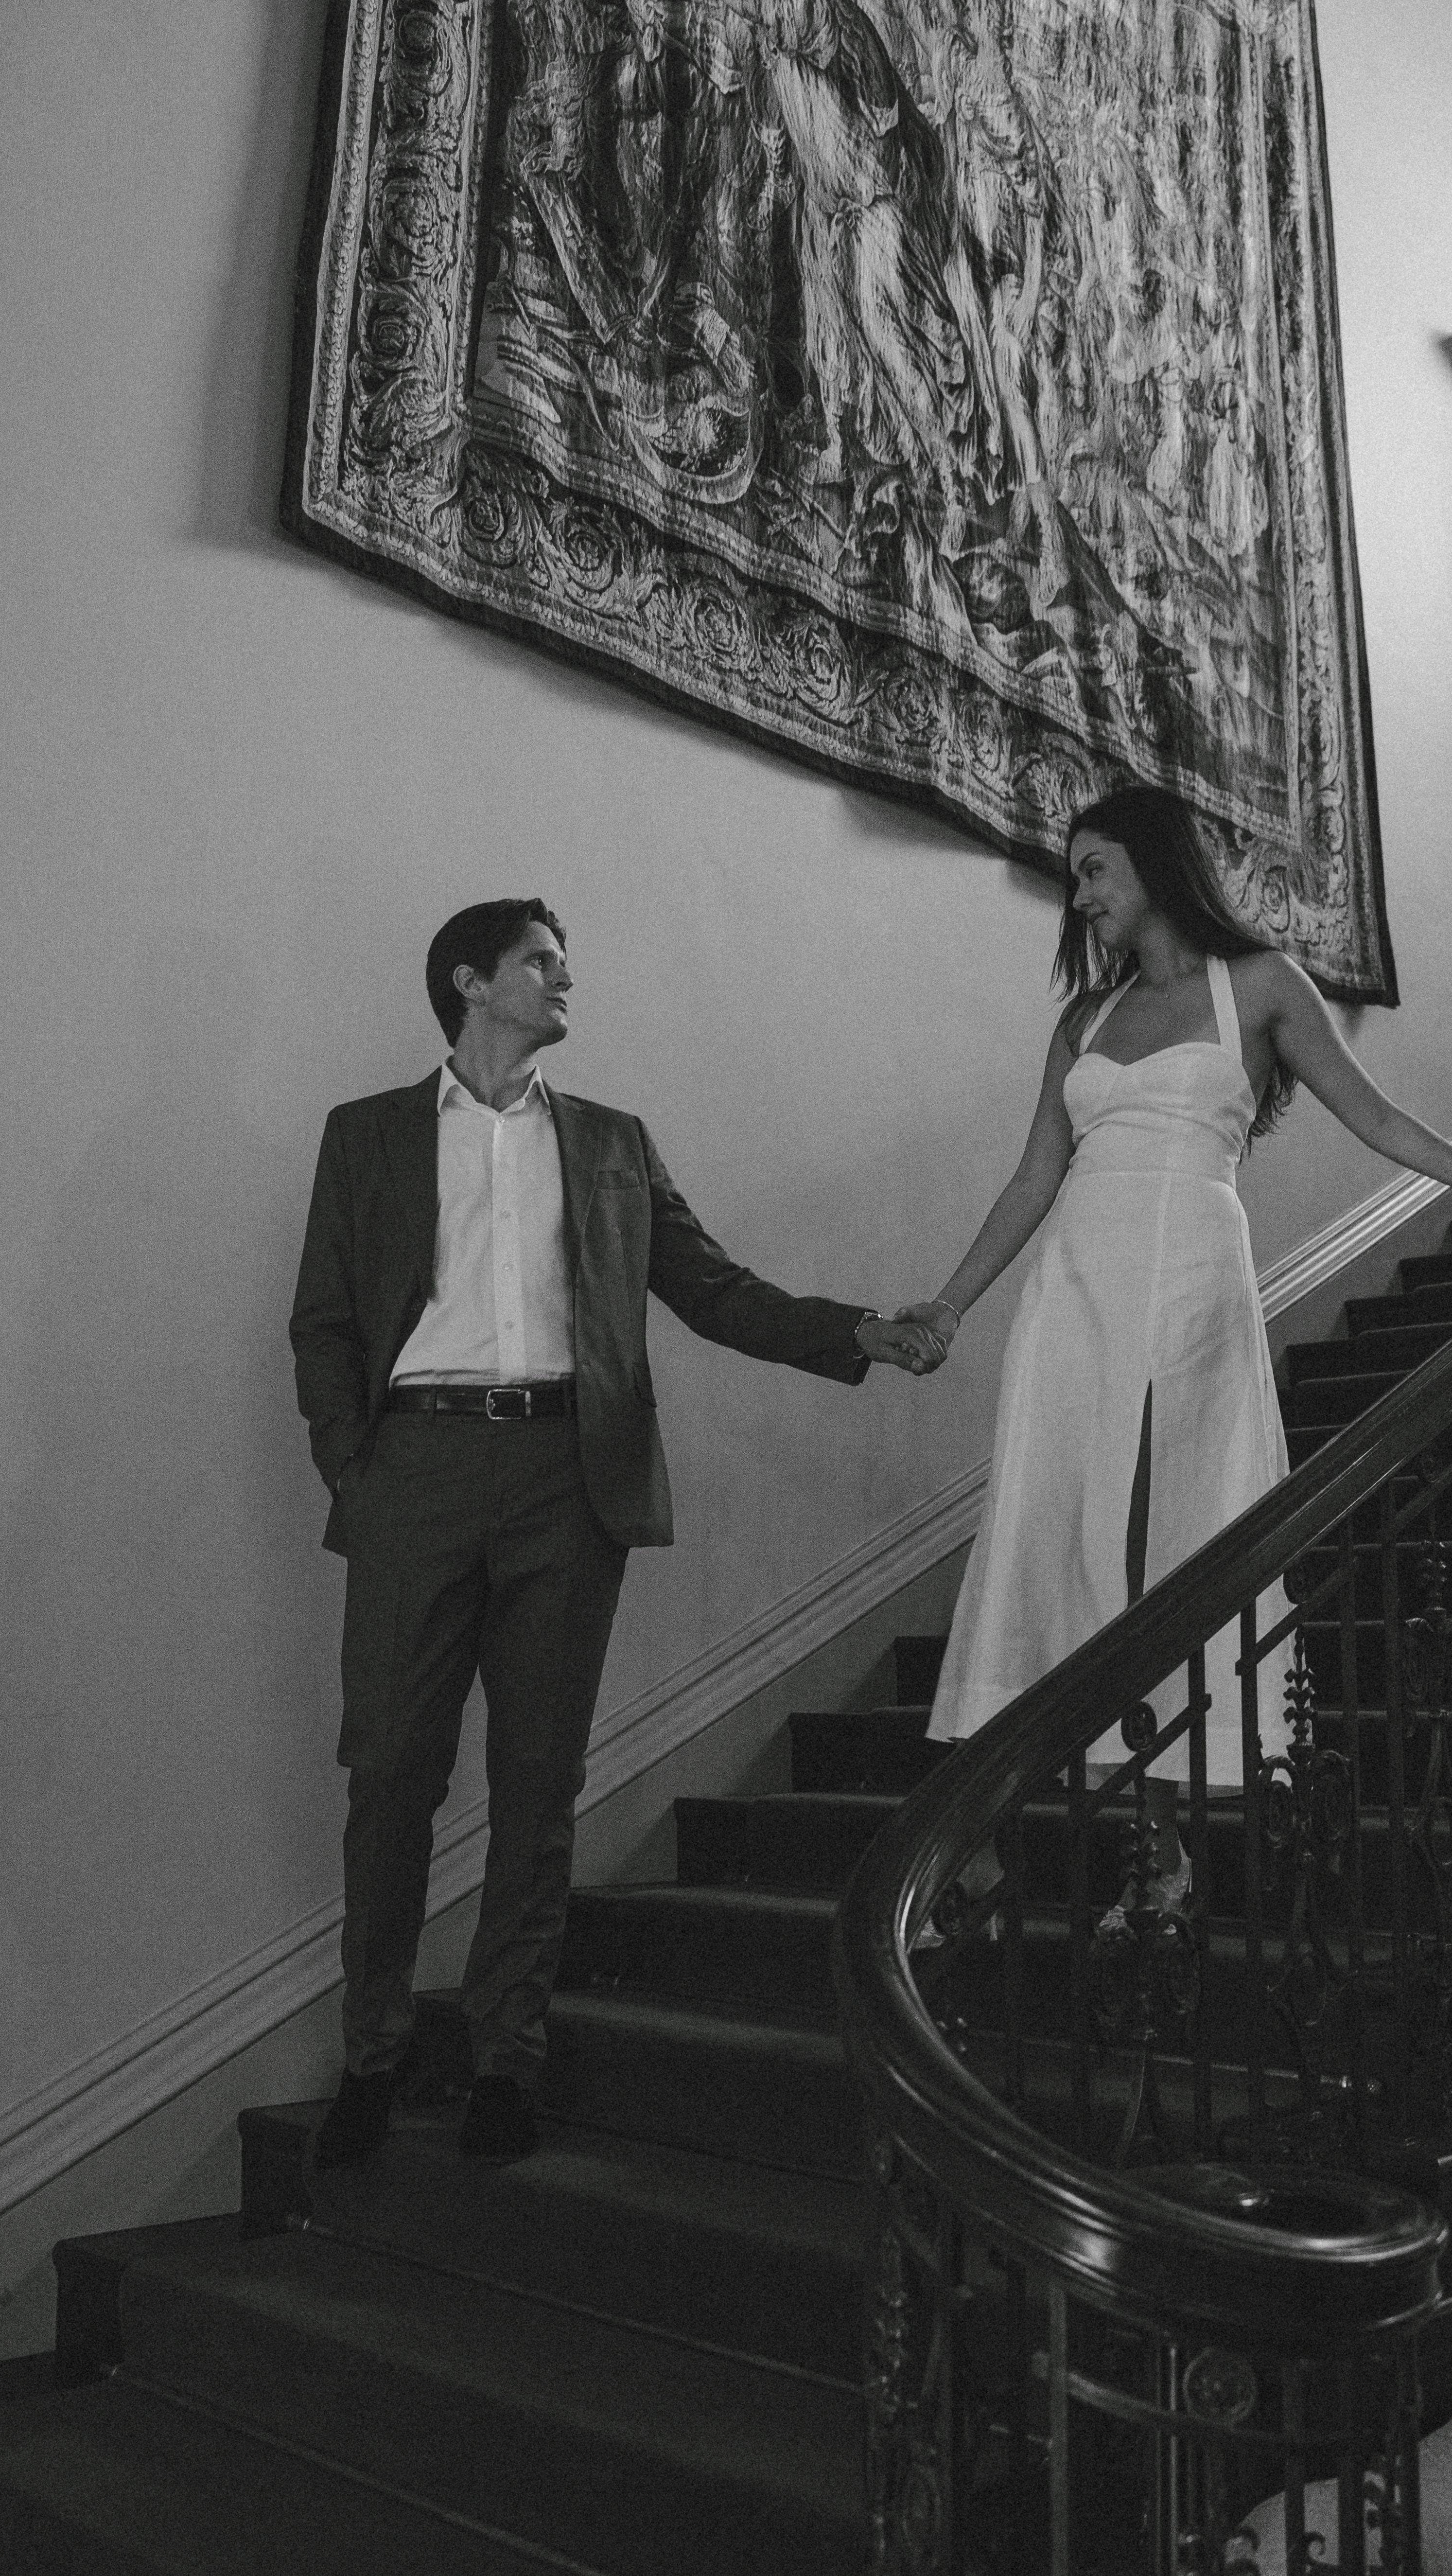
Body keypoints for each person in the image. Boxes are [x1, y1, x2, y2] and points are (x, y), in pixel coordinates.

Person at [290, 898, 936, 2166]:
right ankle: (372, 2058)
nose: (565, 978)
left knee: (538, 1784)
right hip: (415, 1472)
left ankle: (505, 2065)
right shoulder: (366, 1137)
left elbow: (715, 1290)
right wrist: (355, 1473)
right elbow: (323, 1323)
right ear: (469, 983)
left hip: (567, 1479)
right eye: (540, 961)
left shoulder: (610, 1144)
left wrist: (856, 1331)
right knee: (393, 1774)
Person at [894, 786, 1452, 1822]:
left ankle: (1168, 1817)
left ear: (1156, 865)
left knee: (1180, 1518)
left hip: (1195, 1268)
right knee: (1058, 1509)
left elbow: (1377, 1116)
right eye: (1075, 876)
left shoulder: (1264, 984)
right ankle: (1047, 1781)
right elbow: (1032, 1178)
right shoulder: (1084, 1019)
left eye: (1095, 869)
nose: (1080, 896)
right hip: (1077, 1284)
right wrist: (950, 1306)